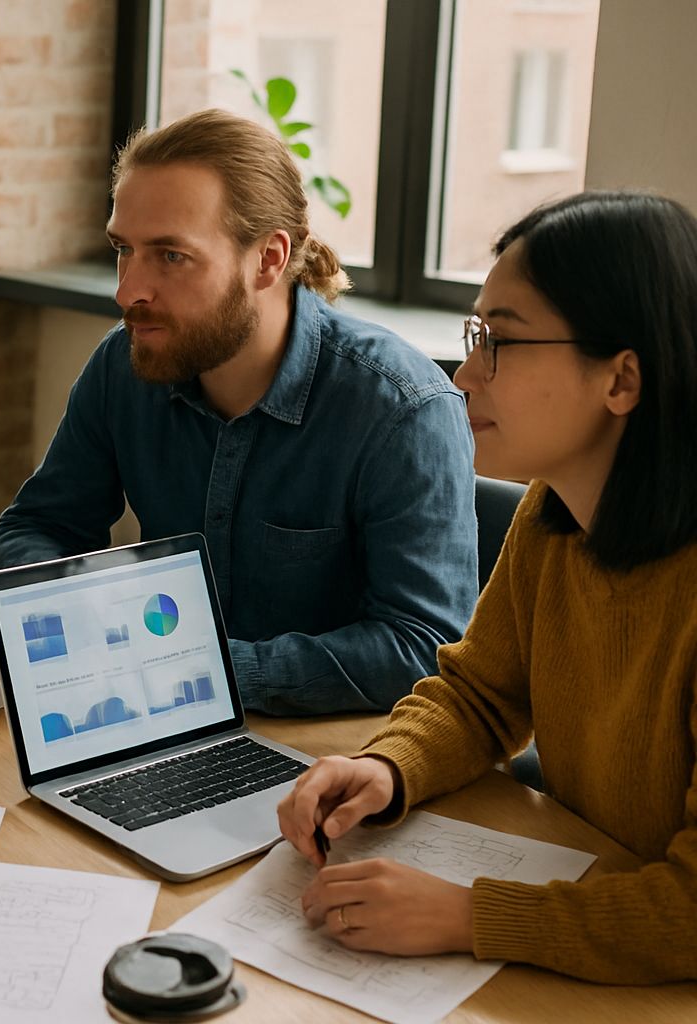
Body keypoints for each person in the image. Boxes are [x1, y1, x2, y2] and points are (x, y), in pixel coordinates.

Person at [279, 190, 697, 983]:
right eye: (477, 336)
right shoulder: (555, 511)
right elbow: (481, 695)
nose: (466, 374)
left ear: (621, 379)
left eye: (500, 341)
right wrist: (387, 768)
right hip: (595, 909)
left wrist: (469, 916)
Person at [0, 109, 477, 715]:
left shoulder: (401, 409)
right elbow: (39, 527)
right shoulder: (124, 365)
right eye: (123, 249)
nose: (128, 291)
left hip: (329, 751)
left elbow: (423, 646)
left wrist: (198, 672)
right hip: (152, 719)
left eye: (171, 256)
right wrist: (73, 617)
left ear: (269, 259)